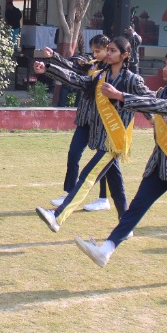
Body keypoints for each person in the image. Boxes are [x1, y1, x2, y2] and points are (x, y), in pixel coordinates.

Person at [74, 50, 167, 286]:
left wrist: (122, 96)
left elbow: (158, 106)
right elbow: (153, 105)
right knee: (135, 208)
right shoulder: (164, 91)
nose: (165, 69)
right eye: (165, 64)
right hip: (159, 164)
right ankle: (106, 249)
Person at [34, 36, 150, 232]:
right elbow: (77, 80)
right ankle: (126, 226)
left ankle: (58, 216)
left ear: (125, 55)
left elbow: (148, 100)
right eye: (108, 50)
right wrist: (49, 68)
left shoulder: (132, 79)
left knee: (87, 176)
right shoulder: (101, 75)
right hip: (100, 137)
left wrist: (146, 113)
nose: (109, 53)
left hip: (114, 140)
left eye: (113, 51)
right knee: (115, 183)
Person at [41, 35, 112, 212]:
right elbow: (72, 68)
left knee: (105, 161)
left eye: (98, 51)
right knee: (73, 154)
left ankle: (103, 198)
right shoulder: (91, 64)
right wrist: (54, 57)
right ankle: (69, 193)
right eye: (93, 51)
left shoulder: (112, 71)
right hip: (84, 120)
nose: (94, 54)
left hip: (102, 122)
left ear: (108, 49)